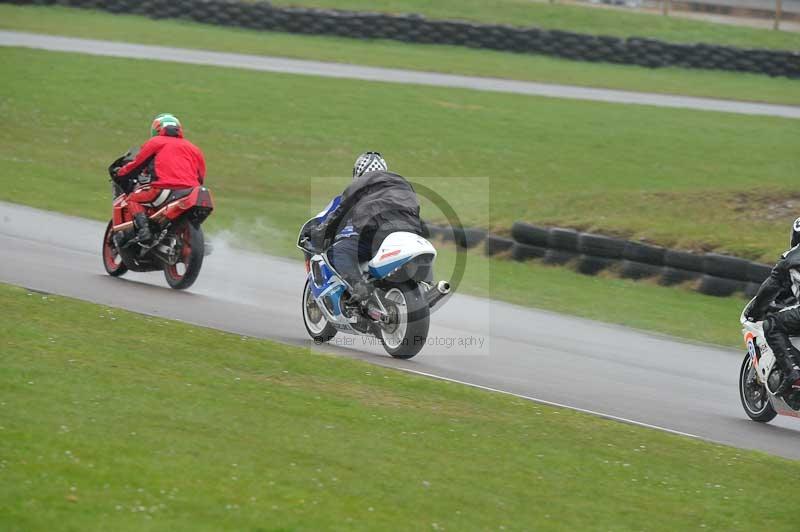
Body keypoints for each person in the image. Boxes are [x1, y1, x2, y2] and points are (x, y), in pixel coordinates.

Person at [309, 152, 422, 302]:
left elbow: (340, 213)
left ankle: (358, 286)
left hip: (376, 232)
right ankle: (423, 285)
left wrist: (320, 235)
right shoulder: (403, 182)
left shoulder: (360, 183)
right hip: (409, 232)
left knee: (339, 251)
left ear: (359, 172)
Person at [113, 113, 206, 243]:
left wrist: (121, 173)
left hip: (163, 189)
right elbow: (201, 176)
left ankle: (144, 230)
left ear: (157, 130)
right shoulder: (194, 148)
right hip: (190, 192)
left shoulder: (155, 142)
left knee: (133, 199)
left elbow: (137, 164)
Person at [745, 217, 800, 394]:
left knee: (772, 324)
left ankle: (792, 373)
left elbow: (769, 289)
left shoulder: (790, 259)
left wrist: (754, 313)